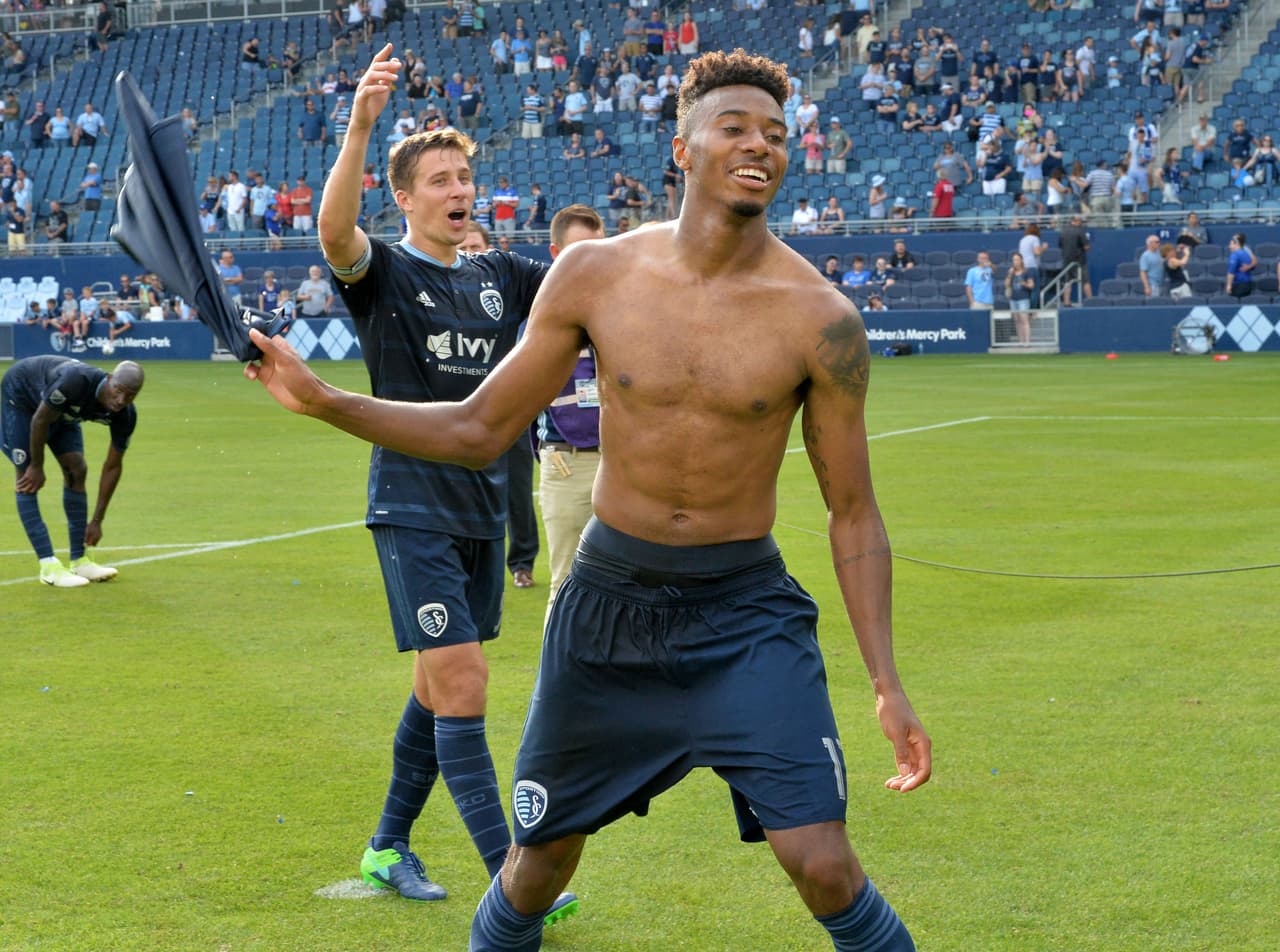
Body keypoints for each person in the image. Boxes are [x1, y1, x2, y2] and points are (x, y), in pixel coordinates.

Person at [245, 48, 930, 951]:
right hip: (608, 606)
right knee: (536, 870)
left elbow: (853, 510)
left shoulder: (824, 320)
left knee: (825, 864)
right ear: (681, 148)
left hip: (745, 615)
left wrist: (885, 682)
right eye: (733, 127)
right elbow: (480, 427)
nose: (758, 145)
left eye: (775, 133)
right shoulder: (597, 275)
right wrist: (329, 402)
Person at [251, 44, 580, 922]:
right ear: (406, 196)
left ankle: (387, 847)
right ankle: (515, 888)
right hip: (410, 504)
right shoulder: (387, 274)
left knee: (436, 690)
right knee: (465, 681)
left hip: (481, 506)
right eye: (438, 178)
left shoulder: (505, 276)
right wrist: (360, 124)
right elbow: (333, 237)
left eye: (464, 175)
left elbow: (589, 298)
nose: (457, 188)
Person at [2, 356, 144, 587]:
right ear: (109, 380)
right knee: (27, 475)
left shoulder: (126, 415)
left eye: (130, 396)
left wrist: (97, 520)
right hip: (22, 397)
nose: (121, 400)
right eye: (118, 390)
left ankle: (80, 560)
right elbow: (39, 420)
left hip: (60, 409)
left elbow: (113, 465)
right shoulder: (75, 381)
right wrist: (37, 465)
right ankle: (48, 566)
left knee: (77, 469)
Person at [531, 203, 606, 610]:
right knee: (566, 585)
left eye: (600, 248)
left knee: (629, 584)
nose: (593, 259)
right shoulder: (540, 313)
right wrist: (547, 450)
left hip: (624, 465)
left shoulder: (622, 312)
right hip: (567, 462)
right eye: (581, 250)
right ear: (557, 253)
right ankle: (560, 675)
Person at [1004, 252, 1035, 344]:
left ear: (1021, 260)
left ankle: (1027, 342)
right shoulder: (1011, 272)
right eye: (1014, 260)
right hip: (1013, 299)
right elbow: (1006, 285)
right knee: (1017, 321)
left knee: (1024, 319)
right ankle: (1021, 341)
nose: (1016, 262)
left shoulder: (1027, 272)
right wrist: (1010, 274)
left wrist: (1024, 283)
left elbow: (1032, 285)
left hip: (1023, 299)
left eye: (1017, 259)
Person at [1224, 232, 1255, 298]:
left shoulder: (1235, 255)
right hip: (1248, 284)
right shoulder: (1246, 253)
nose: (1229, 247)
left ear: (1236, 244)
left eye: (1231, 244)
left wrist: (1229, 285)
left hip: (1239, 285)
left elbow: (1231, 272)